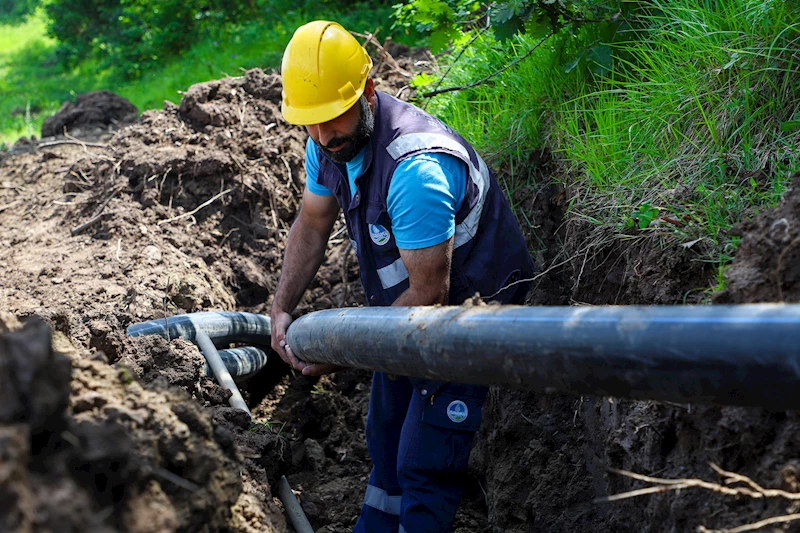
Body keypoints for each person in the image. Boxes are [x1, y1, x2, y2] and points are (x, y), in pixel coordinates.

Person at [270, 20, 535, 533]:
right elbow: (312, 221)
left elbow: (429, 294)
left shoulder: (415, 168)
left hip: (467, 320)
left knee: (424, 460)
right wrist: (282, 305)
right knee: (385, 436)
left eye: (335, 118)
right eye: (312, 124)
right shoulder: (326, 145)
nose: (325, 137)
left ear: (369, 92)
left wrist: (340, 350)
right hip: (400, 315)